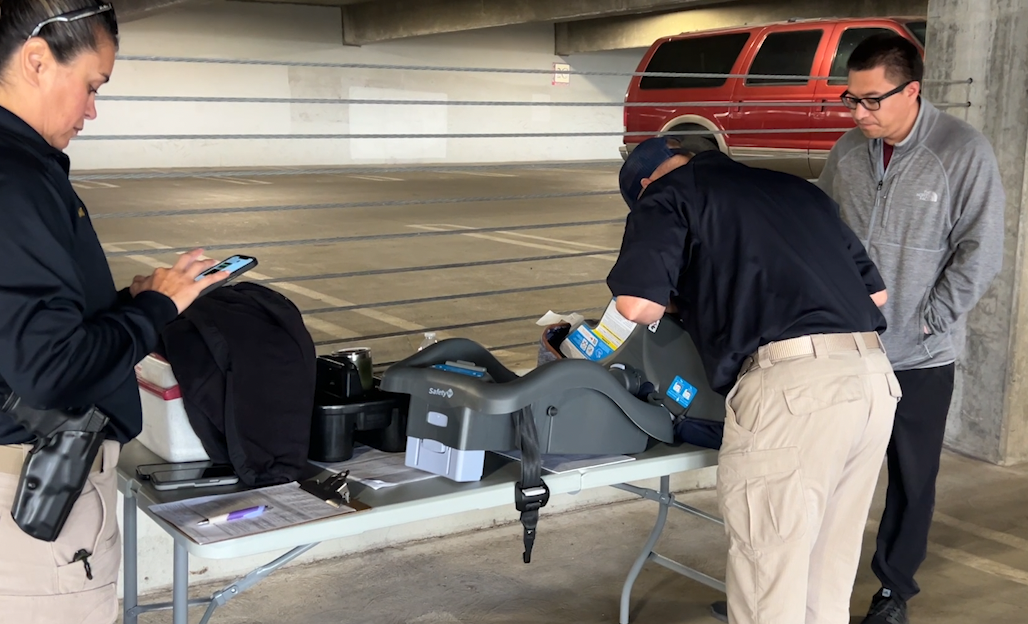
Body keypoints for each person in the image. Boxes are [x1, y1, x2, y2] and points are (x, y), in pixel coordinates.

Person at [608, 136, 902, 624]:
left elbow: (638, 306)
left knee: (770, 585)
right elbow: (878, 296)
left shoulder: (666, 194)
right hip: (872, 380)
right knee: (823, 579)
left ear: (644, 184)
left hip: (793, 392)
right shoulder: (795, 189)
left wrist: (691, 298)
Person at [0, 1, 228, 621]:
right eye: (92, 86)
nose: (93, 111)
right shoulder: (16, 180)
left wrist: (125, 302)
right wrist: (155, 308)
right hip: (38, 501)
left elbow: (20, 326)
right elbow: (50, 369)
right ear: (38, 60)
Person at [816, 33, 1004, 624]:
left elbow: (981, 252)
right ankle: (799, 587)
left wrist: (929, 321)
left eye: (872, 100)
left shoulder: (962, 151)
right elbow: (822, 232)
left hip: (921, 357)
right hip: (846, 347)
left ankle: (893, 591)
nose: (859, 112)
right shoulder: (848, 151)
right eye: (852, 98)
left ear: (912, 90)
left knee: (911, 478)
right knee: (824, 474)